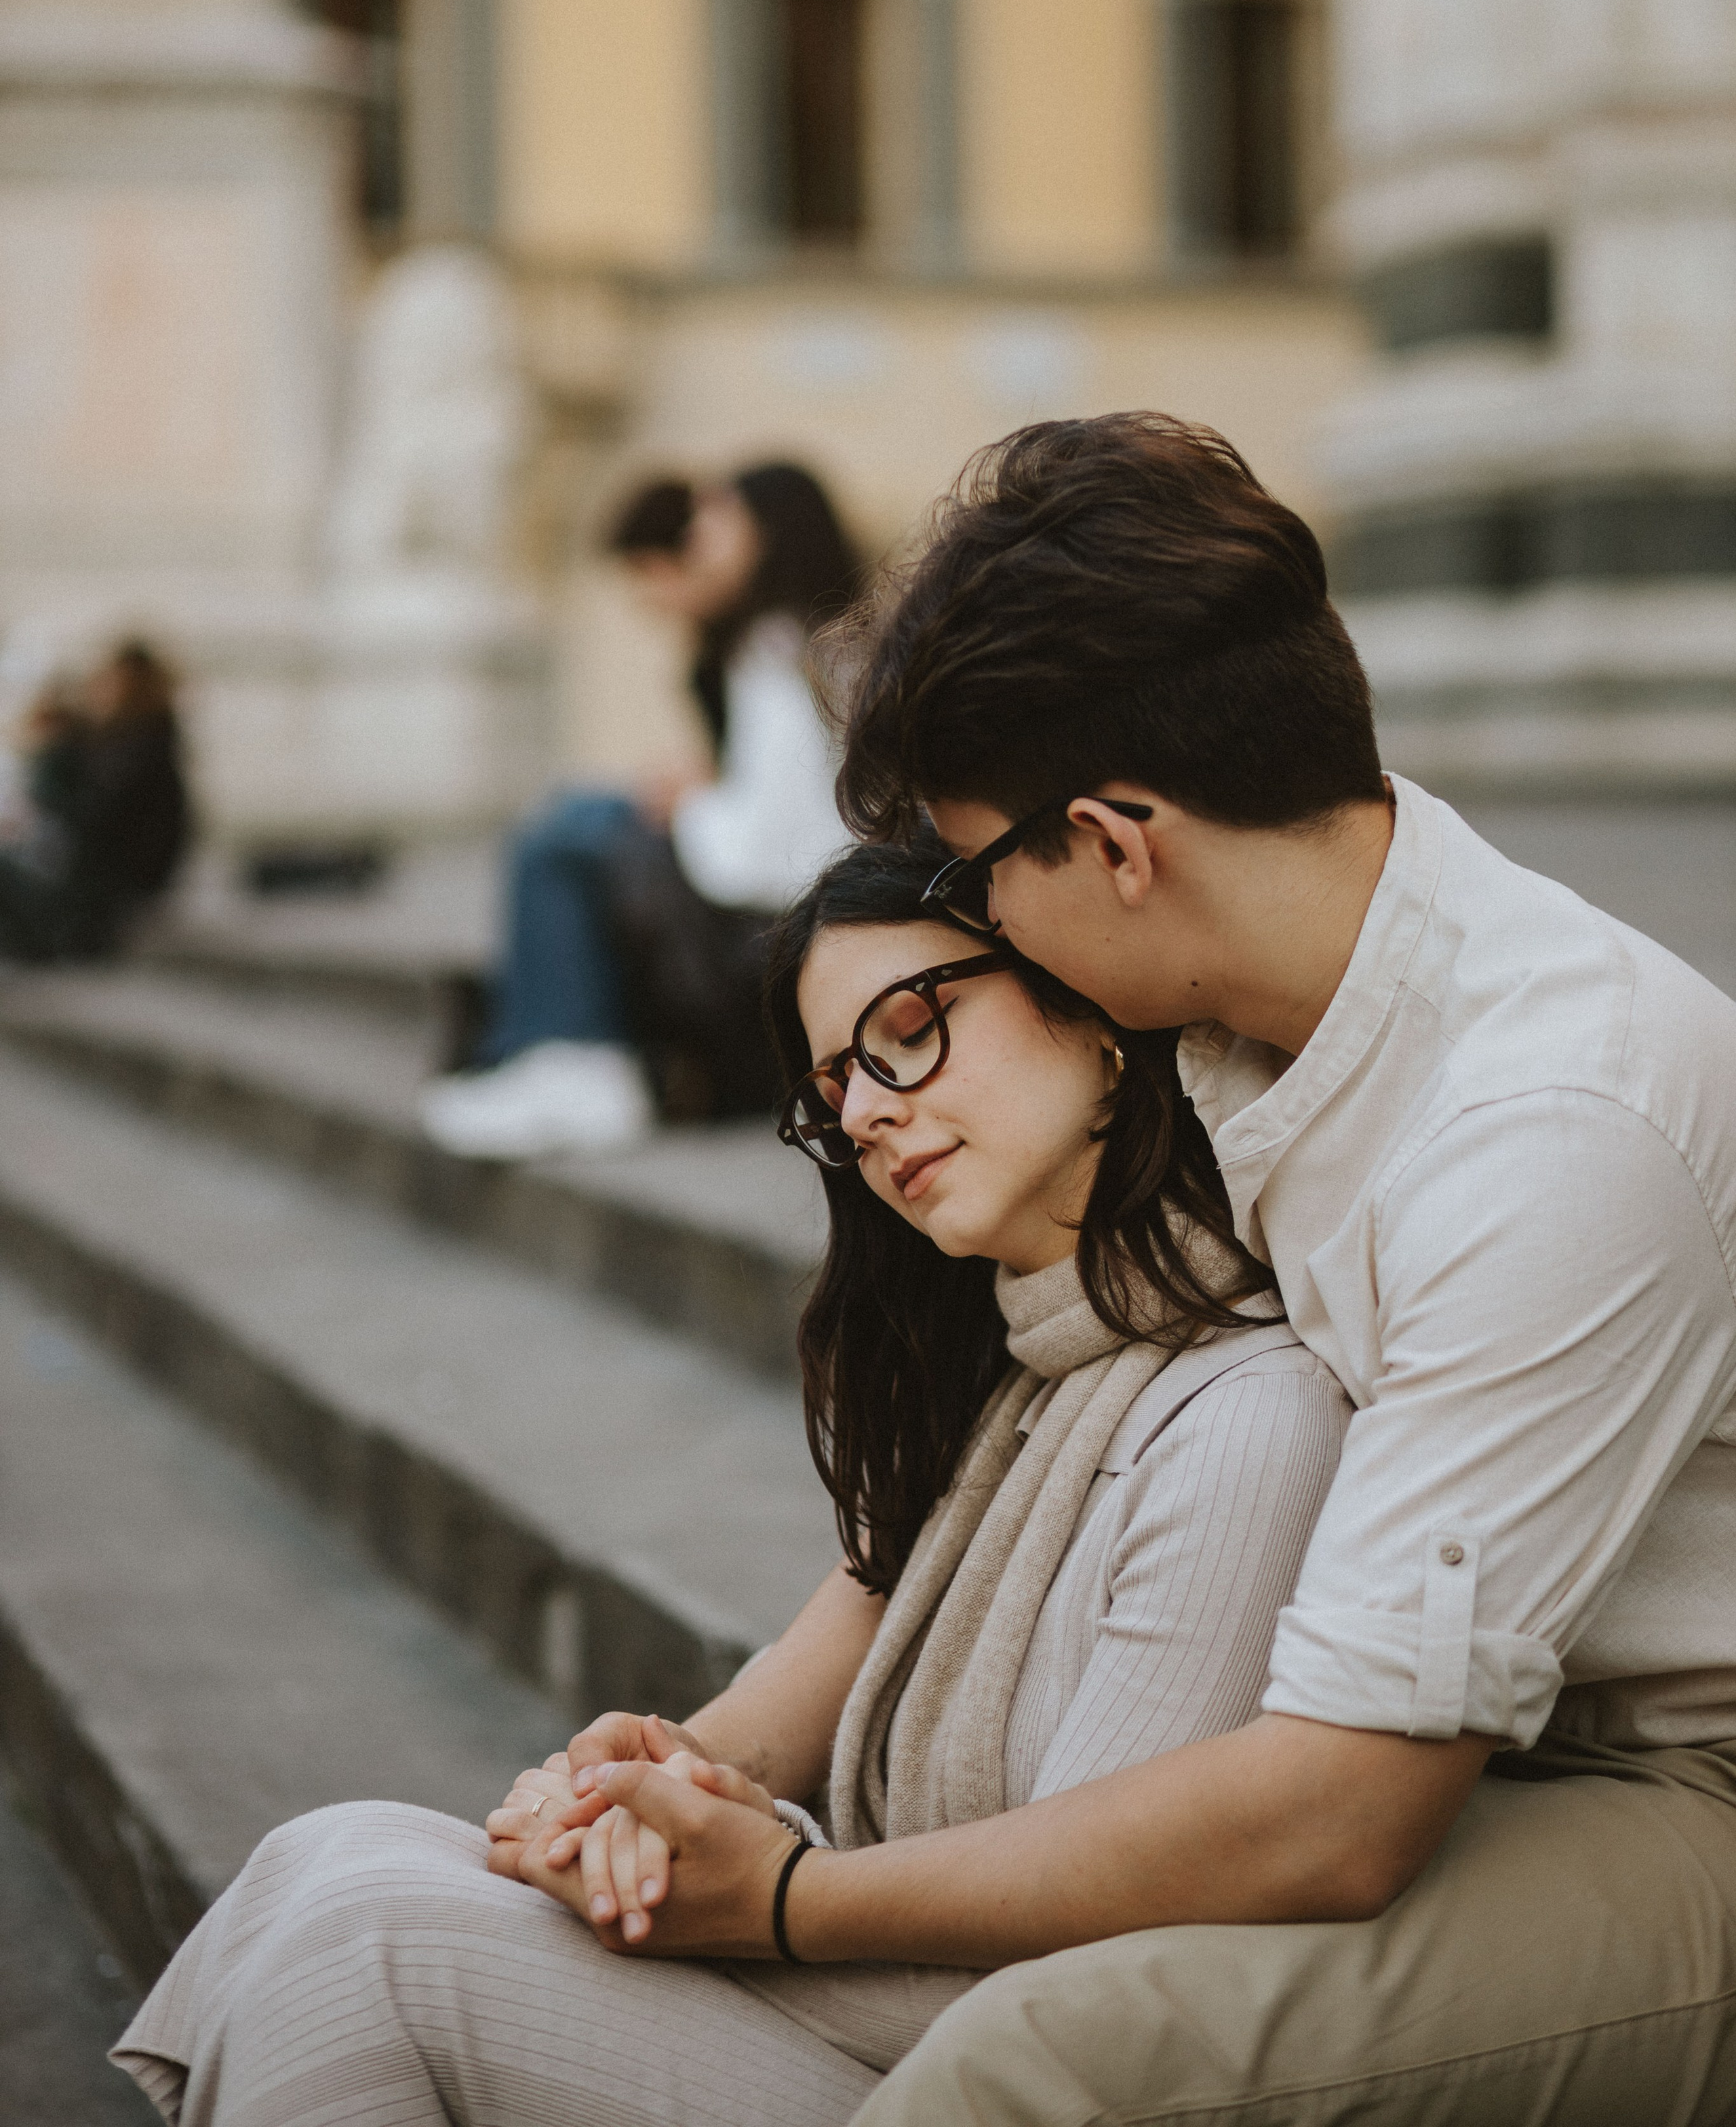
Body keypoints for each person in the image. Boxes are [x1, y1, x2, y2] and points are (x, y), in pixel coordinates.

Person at [555, 411, 1736, 2127]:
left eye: (979, 874)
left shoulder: (1545, 1125)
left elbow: (1338, 1811)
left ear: (1113, 842)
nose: (980, 926)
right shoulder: (1251, 997)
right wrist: (712, 1760)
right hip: (1488, 1728)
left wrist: (792, 1895)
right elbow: (1017, 1380)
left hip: (1673, 1785)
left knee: (1048, 2057)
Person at [112, 833, 1352, 2125]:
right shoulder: (1010, 1391)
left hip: (997, 2072)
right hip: (885, 2010)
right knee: (321, 1853)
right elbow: (749, 1728)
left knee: (358, 1947)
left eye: (911, 1029)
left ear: (1098, 1011)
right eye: (834, 1086)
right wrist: (628, 1798)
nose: (868, 1110)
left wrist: (741, 1893)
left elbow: (1069, 1989)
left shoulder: (1247, 1422)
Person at [420, 461, 858, 1158]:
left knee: (560, 841)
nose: (701, 537)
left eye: (719, 522)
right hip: (769, 906)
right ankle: (548, 1055)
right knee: (573, 817)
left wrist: (691, 803)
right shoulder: (788, 643)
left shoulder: (779, 652)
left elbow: (769, 854)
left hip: (765, 924)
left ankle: (571, 1061)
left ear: (767, 536)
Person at [0, 638, 190, 963]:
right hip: (102, 878)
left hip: (103, 890)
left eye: (108, 683)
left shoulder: (139, 750)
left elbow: (92, 826)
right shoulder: (128, 742)